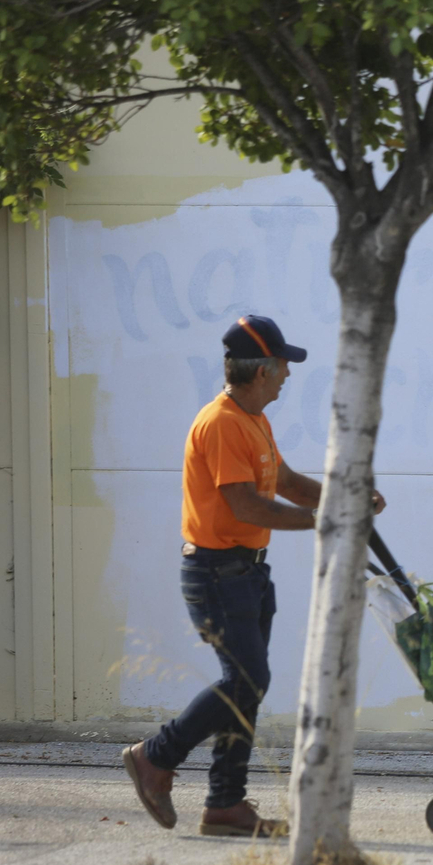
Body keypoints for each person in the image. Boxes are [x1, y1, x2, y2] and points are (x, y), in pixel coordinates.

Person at [121, 315, 386, 836]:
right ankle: (155, 755)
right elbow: (245, 506)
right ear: (261, 370)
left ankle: (224, 805)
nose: (289, 372)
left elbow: (282, 481)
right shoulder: (220, 423)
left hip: (246, 574)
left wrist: (344, 498)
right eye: (283, 364)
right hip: (217, 572)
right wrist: (327, 522)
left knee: (245, 689)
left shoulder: (252, 420)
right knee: (247, 679)